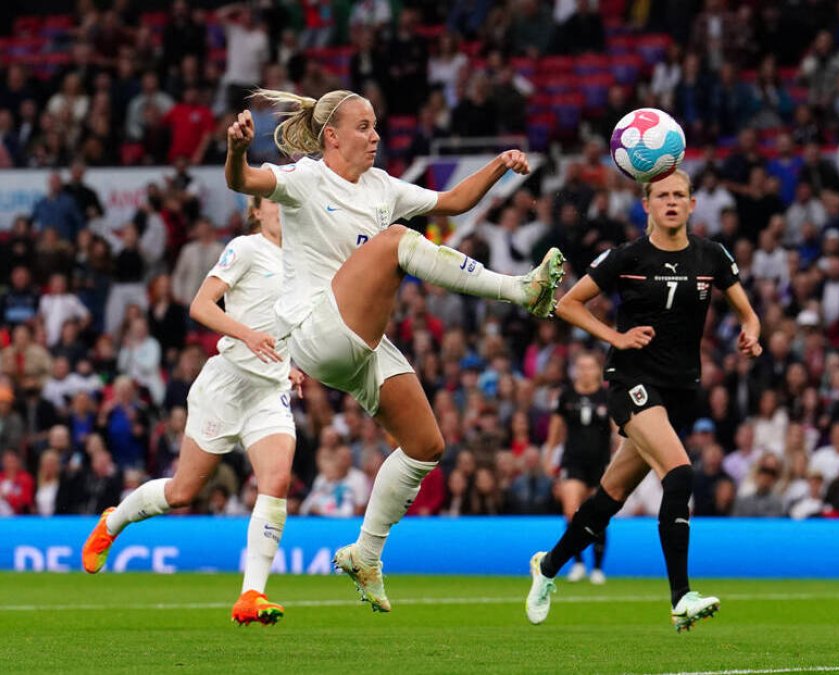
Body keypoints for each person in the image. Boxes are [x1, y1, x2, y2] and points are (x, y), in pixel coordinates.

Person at [223, 88, 563, 612]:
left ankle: (366, 552)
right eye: (364, 127)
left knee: (427, 445)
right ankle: (520, 290)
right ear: (331, 136)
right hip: (314, 330)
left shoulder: (382, 186)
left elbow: (453, 203)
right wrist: (237, 150)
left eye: (376, 125)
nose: (376, 136)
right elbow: (243, 181)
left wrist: (498, 165)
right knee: (393, 242)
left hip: (360, 340)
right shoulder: (303, 180)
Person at [524, 170, 763, 632]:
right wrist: (615, 335)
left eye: (680, 195)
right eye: (662, 196)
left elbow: (748, 314)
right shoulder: (626, 256)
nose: (671, 202)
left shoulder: (712, 256)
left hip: (677, 392)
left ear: (693, 205)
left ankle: (548, 567)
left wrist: (751, 334)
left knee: (608, 500)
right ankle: (681, 597)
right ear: (647, 205)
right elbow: (569, 304)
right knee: (680, 472)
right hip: (630, 382)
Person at [81, 197, 303, 626]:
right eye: (272, 201)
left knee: (276, 480)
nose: (282, 207)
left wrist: (289, 365)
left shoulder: (301, 260)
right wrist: (248, 335)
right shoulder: (245, 248)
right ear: (256, 211)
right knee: (182, 493)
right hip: (226, 385)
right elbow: (200, 307)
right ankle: (114, 520)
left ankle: (251, 594)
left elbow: (288, 324)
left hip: (268, 390)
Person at [543, 351, 612, 585]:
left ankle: (598, 568)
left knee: (599, 513)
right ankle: (579, 563)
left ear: (597, 370)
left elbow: (617, 431)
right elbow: (556, 428)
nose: (584, 371)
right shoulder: (566, 395)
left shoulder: (606, 396)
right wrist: (549, 454)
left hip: (600, 463)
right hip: (573, 461)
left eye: (589, 366)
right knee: (572, 511)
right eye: (580, 367)